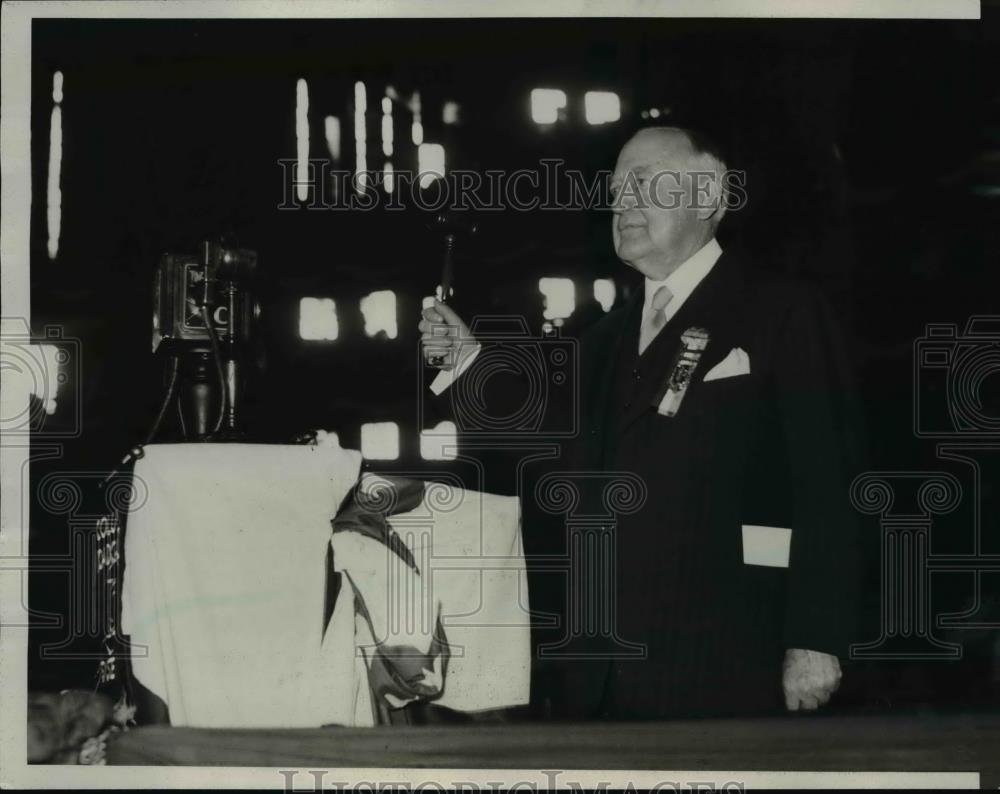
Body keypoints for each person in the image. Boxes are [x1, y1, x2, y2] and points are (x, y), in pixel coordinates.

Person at [419, 126, 862, 720]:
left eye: (644, 182)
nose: (622, 200)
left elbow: (829, 485)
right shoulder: (602, 339)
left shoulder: (781, 310)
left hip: (730, 663)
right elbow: (551, 452)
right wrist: (468, 362)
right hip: (602, 675)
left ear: (710, 197)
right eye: (615, 187)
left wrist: (816, 636)